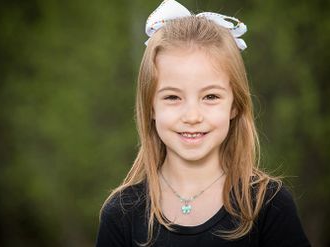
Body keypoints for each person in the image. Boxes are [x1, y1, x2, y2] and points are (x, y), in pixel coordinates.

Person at [95, 0, 311, 246]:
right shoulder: (121, 214)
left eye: (210, 96)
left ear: (235, 105)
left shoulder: (269, 205)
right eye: (173, 97)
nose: (192, 115)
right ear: (150, 106)